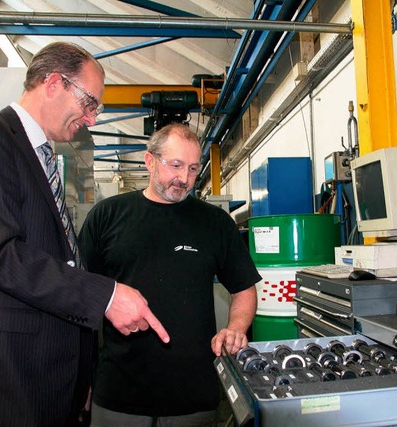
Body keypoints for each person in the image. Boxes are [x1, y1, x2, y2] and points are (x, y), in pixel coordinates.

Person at [0, 41, 169, 427]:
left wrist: (80, 377)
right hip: (1, 386)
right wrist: (106, 296)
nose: (92, 119)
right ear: (53, 83)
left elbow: (59, 264)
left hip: (47, 384)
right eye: (90, 102)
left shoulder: (43, 158)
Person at [78, 123, 261, 426]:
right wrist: (79, 375)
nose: (184, 179)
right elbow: (81, 294)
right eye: (175, 166)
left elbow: (244, 288)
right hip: (118, 393)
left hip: (192, 396)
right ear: (150, 161)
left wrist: (236, 328)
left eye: (192, 169)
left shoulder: (215, 223)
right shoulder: (107, 216)